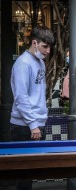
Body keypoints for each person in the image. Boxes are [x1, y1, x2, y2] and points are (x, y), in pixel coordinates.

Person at [10, 25, 54, 190]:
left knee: (32, 173)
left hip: (36, 124)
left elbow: (37, 93)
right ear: (34, 43)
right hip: (24, 126)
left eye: (49, 46)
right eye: (44, 46)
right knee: (24, 175)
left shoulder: (40, 63)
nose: (48, 50)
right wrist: (33, 124)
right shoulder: (23, 63)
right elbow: (21, 97)